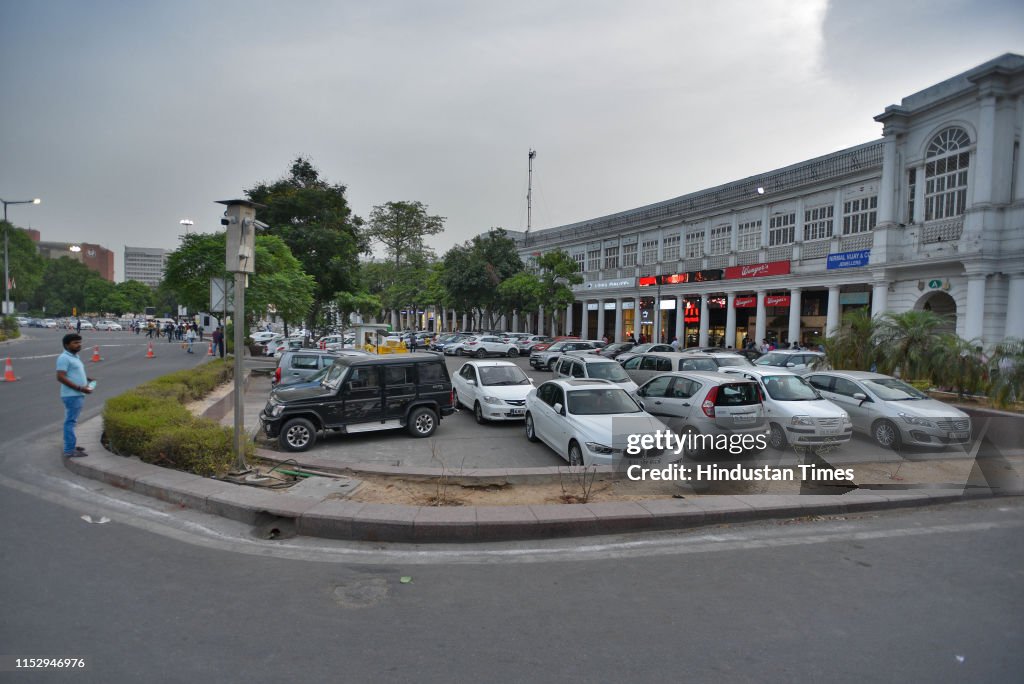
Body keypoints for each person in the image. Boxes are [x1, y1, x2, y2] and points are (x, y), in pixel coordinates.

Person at [56, 333, 94, 458]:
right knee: (70, 422)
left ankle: (71, 445)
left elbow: (73, 372)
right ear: (67, 345)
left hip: (77, 394)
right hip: (72, 395)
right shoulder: (64, 358)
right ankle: (69, 450)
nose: (79, 345)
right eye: (75, 343)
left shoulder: (74, 356)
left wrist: (87, 379)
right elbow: (60, 377)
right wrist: (79, 387)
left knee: (71, 421)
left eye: (79, 342)